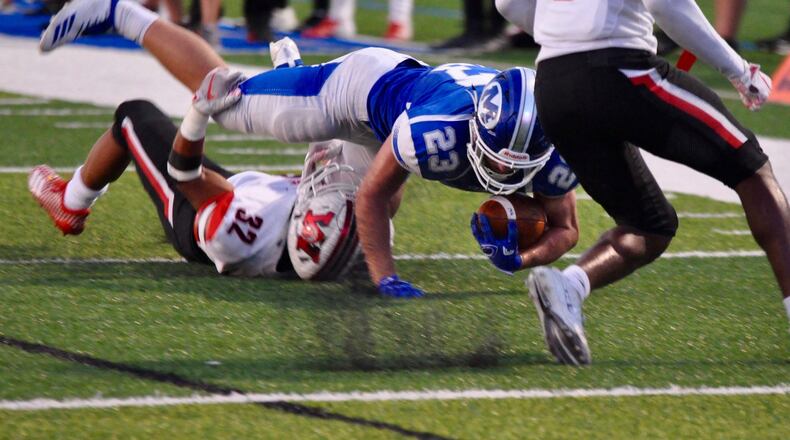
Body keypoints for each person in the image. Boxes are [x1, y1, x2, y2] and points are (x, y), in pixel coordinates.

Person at [39, 0, 580, 298]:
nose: (501, 174)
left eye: (516, 167)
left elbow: (566, 230)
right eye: (496, 159)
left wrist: (522, 258)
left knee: (384, 202)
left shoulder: (557, 150)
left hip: (398, 113)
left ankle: (291, 81)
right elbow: (370, 195)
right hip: (358, 91)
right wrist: (384, 276)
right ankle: (121, 12)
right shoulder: (437, 130)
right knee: (224, 97)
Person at [496, 0, 789, 366]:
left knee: (649, 225)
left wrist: (562, 31)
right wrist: (740, 71)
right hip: (620, 71)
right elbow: (667, 5)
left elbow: (506, 3)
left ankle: (568, 286)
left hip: (553, 85)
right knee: (753, 172)